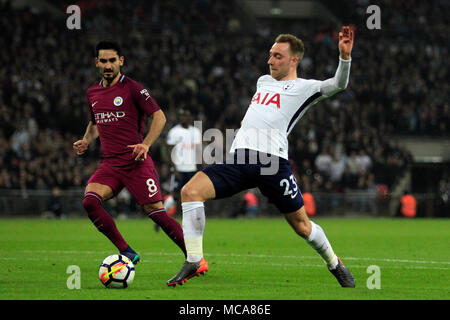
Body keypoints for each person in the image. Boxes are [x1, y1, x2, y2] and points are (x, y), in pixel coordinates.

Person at [167, 26, 355, 287]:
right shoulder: (263, 82)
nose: (270, 60)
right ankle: (195, 259)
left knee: (302, 226)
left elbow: (338, 84)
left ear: (294, 60)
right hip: (241, 158)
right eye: (270, 55)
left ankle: (335, 263)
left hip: (272, 164)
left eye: (277, 56)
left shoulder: (305, 88)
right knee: (190, 191)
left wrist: (344, 57)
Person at [73, 40, 193, 267]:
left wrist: (146, 144)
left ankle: (194, 258)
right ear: (96, 62)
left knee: (156, 212)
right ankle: (127, 252)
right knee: (90, 201)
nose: (108, 65)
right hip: (109, 164)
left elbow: (159, 117)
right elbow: (95, 123)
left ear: (121, 61)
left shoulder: (133, 88)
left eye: (112, 60)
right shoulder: (93, 93)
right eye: (103, 61)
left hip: (136, 162)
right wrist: (86, 140)